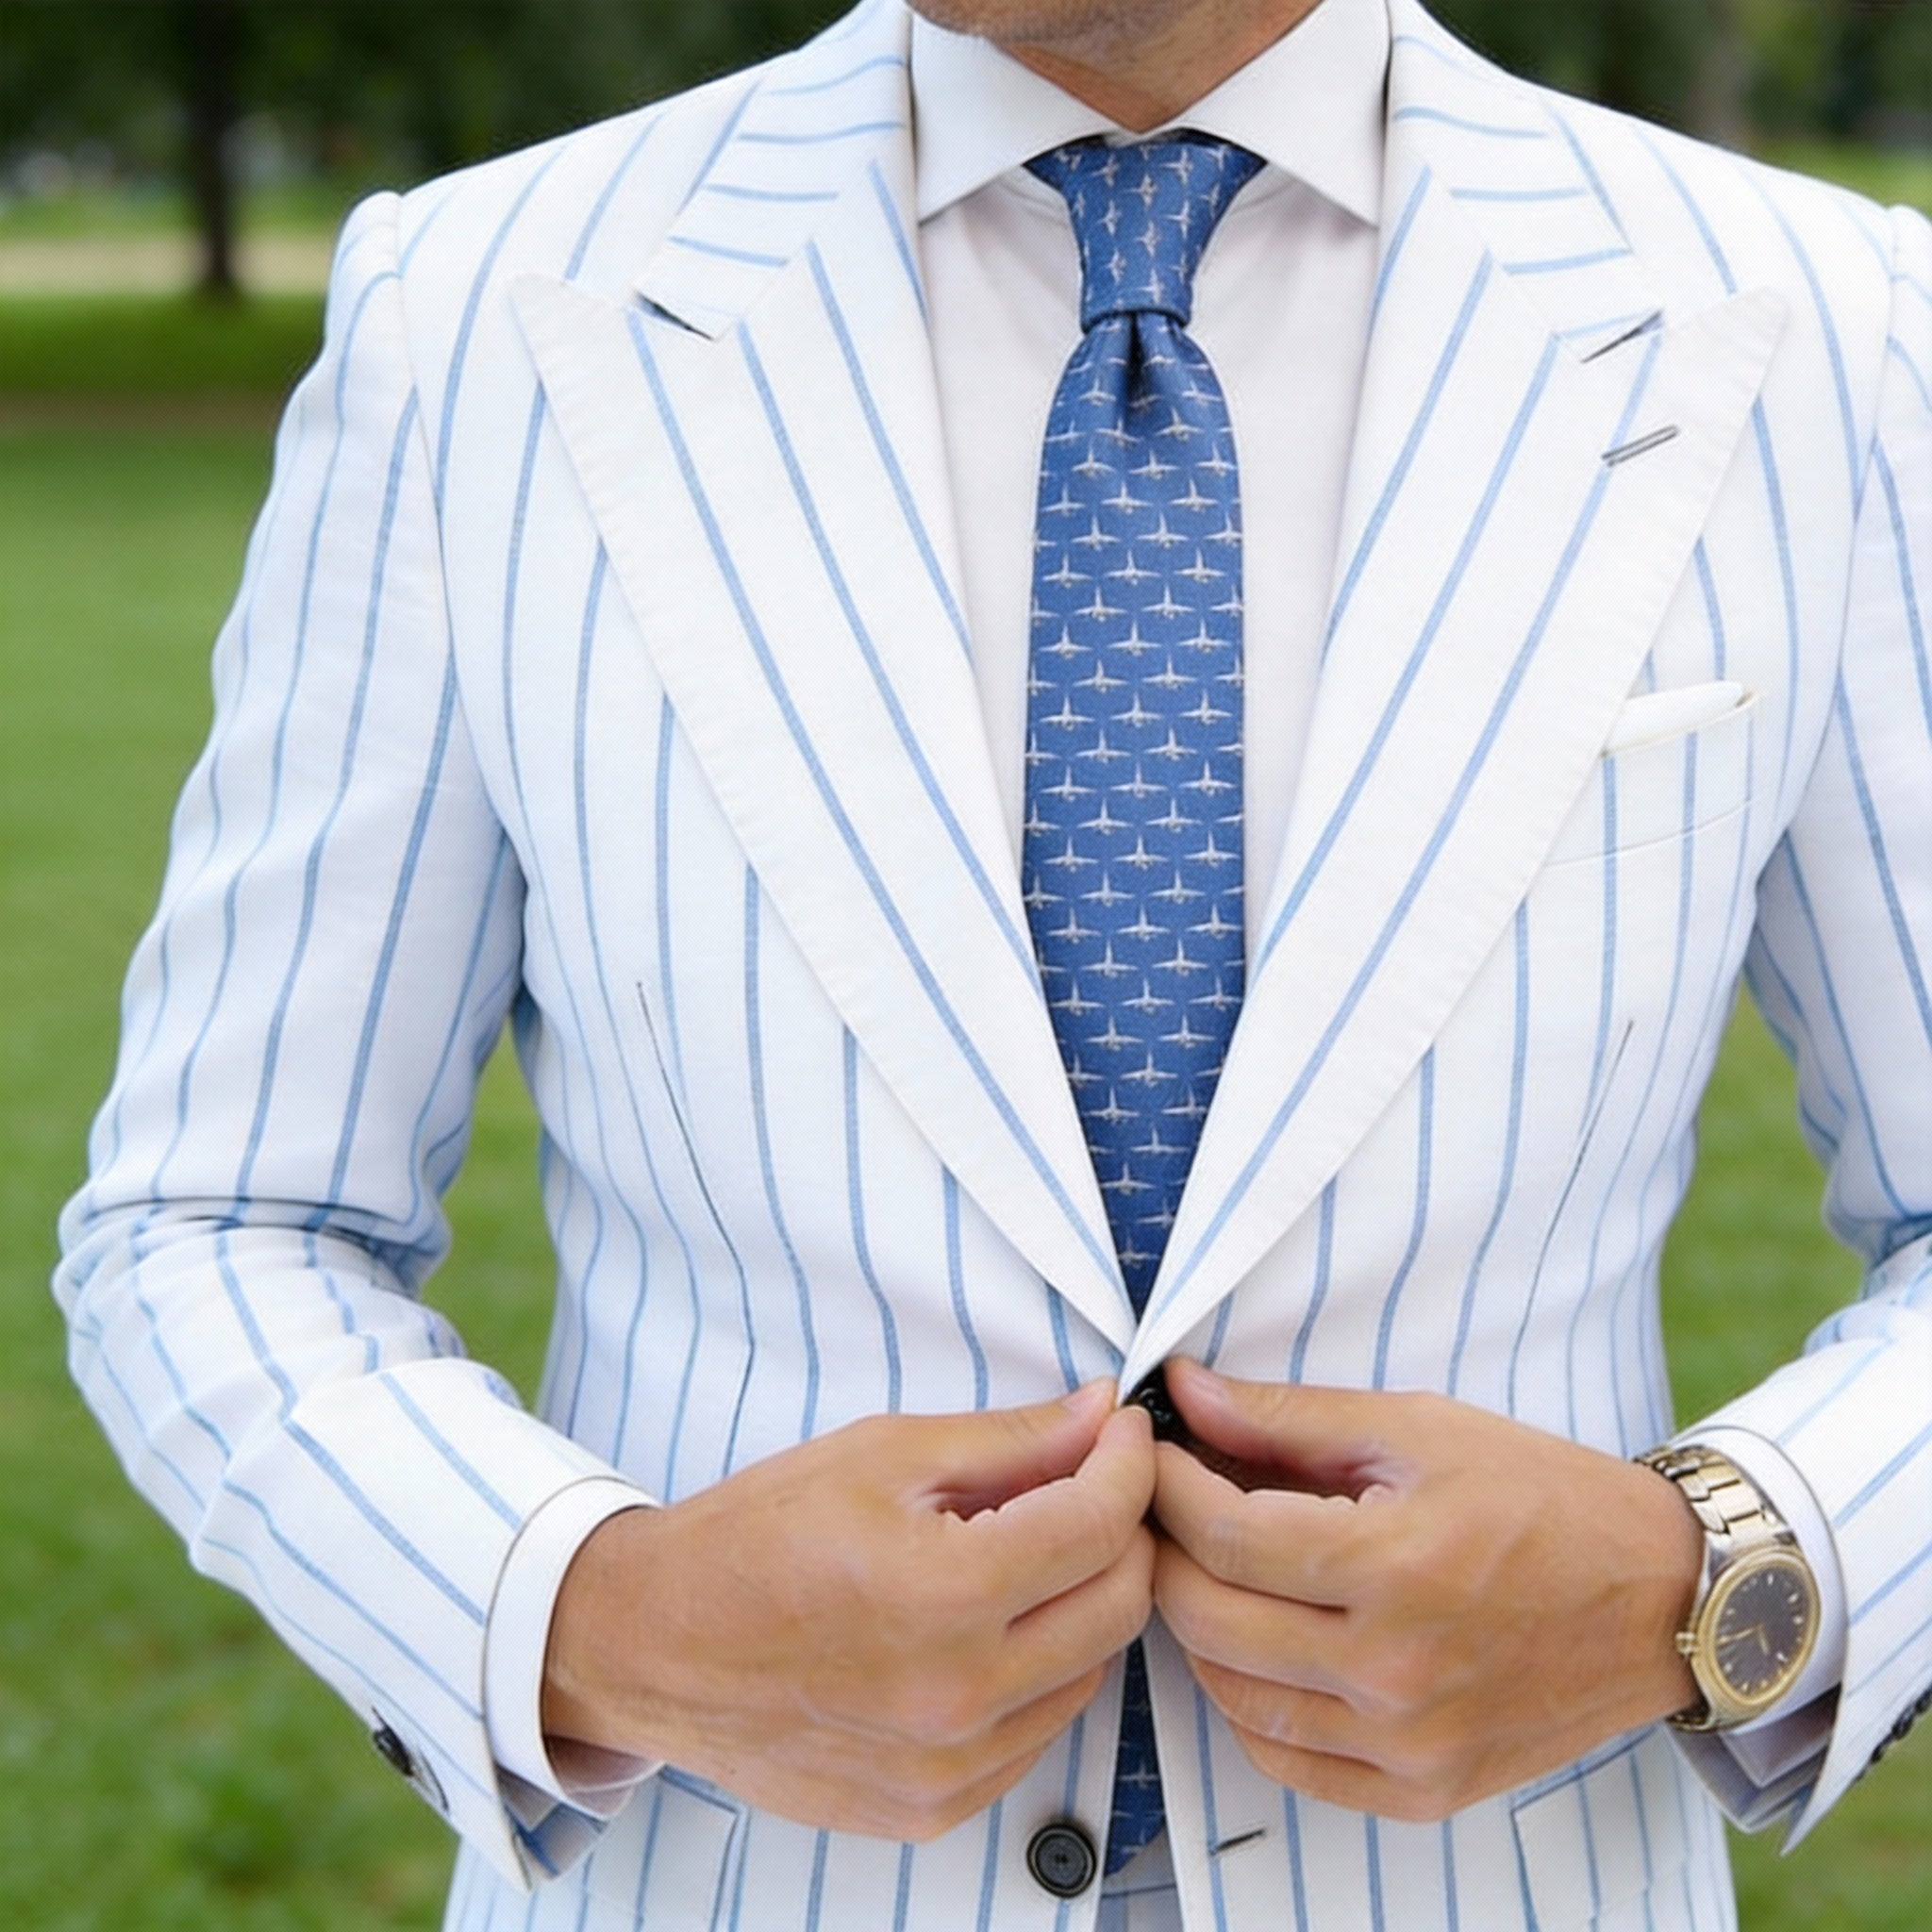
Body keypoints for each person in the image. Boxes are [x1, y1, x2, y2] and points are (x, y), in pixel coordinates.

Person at [54, 0, 1932, 1924]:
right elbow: (217, 1219)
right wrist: (597, 1617)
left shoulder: (1822, 323)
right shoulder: (474, 311)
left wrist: (1712, 1576)